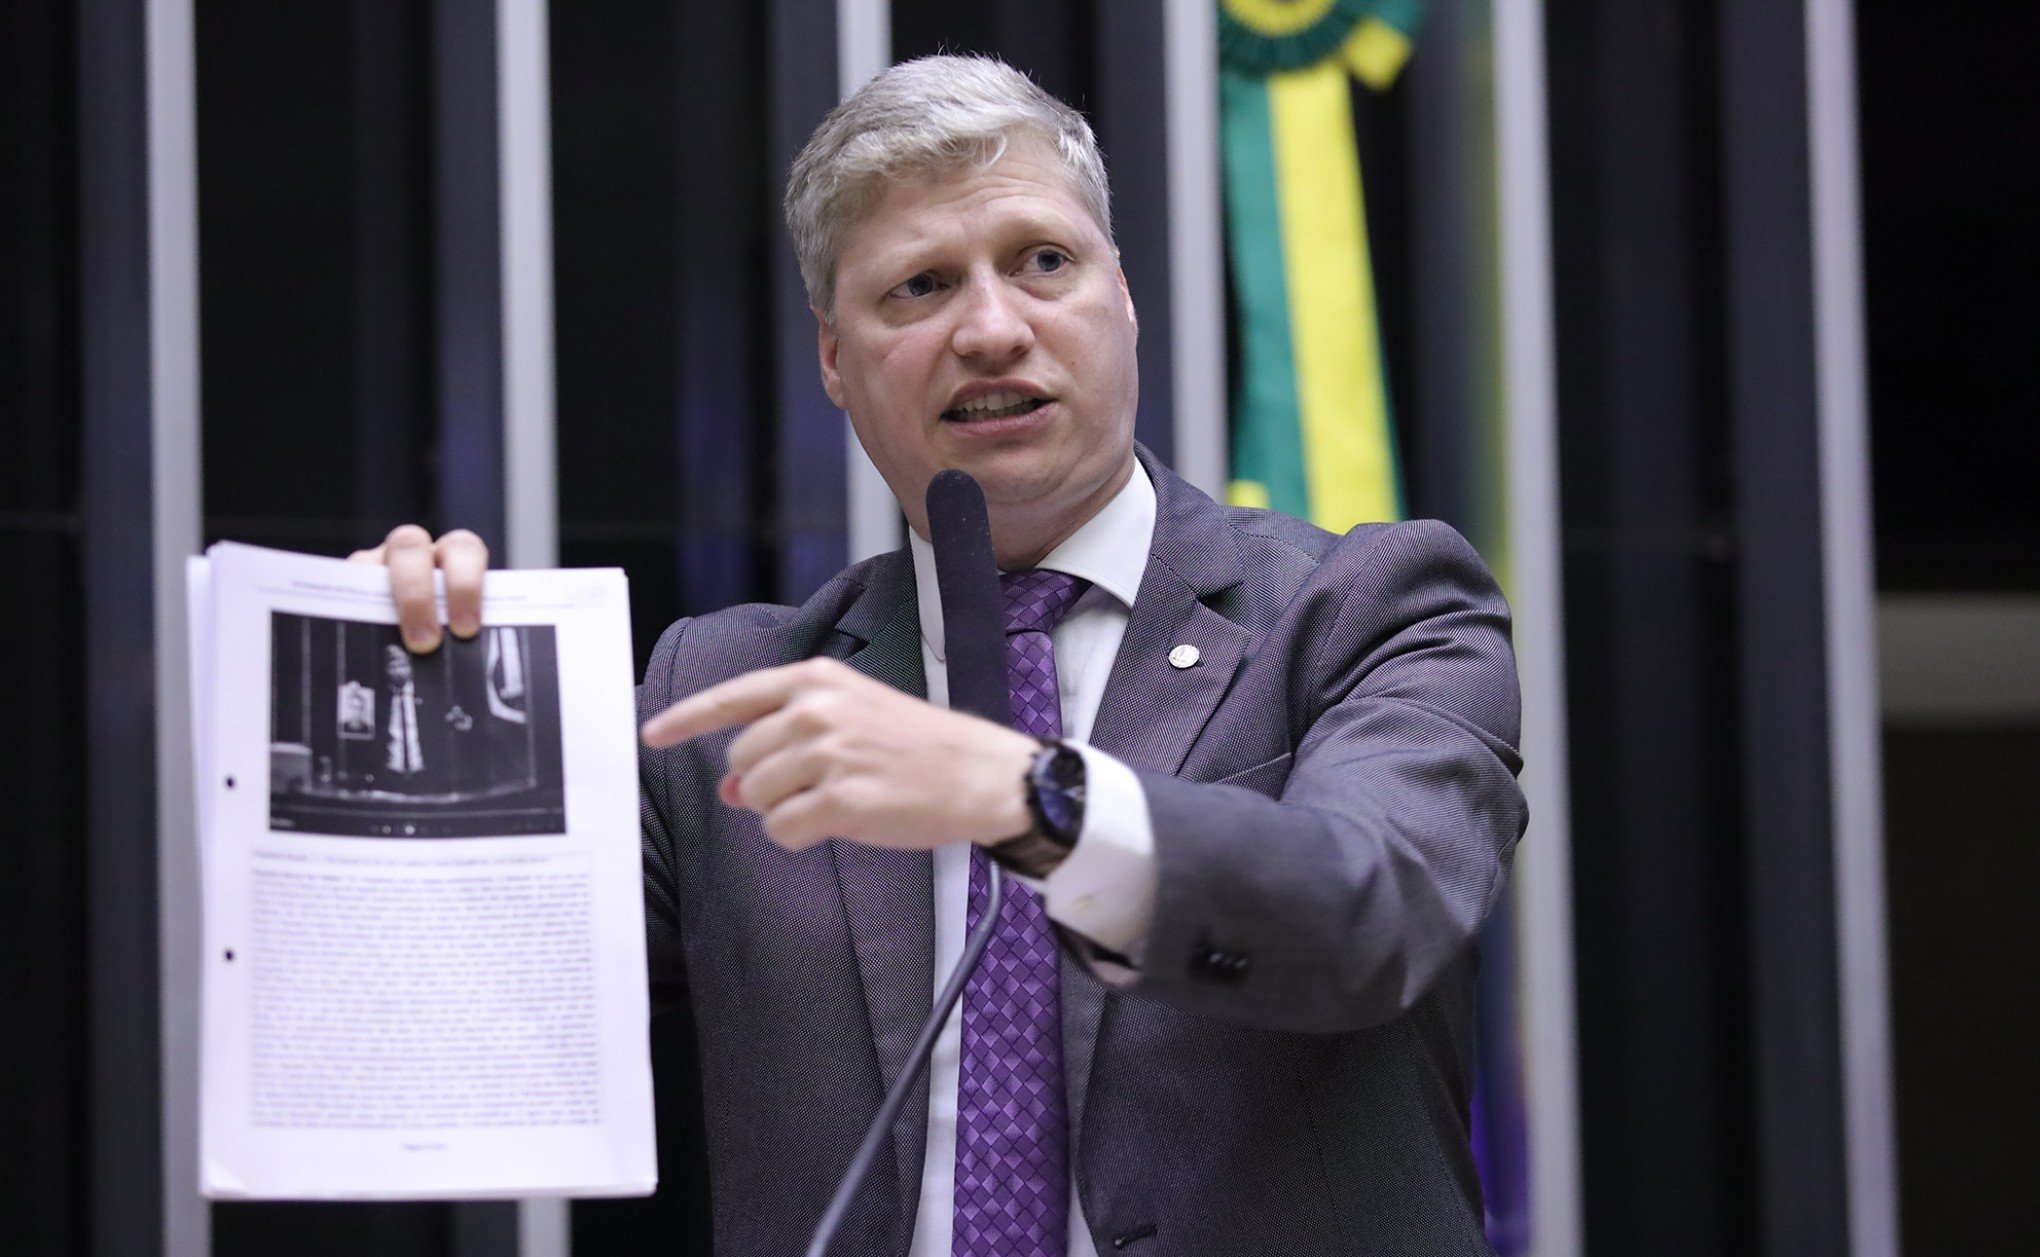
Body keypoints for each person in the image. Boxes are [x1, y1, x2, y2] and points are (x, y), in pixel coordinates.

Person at [359, 55, 1525, 1256]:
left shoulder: (1368, 606)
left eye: (1043, 263)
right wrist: (400, 706)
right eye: (918, 287)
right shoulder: (723, 698)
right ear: (832, 361)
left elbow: (1367, 913)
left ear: (1121, 296)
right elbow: (469, 1018)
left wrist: (1024, 799)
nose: (990, 328)